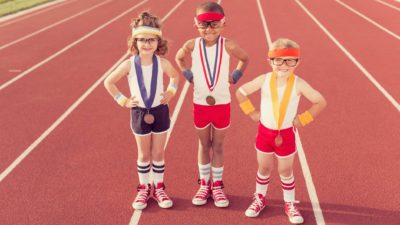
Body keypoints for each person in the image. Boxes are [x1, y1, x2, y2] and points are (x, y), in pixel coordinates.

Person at [236, 38, 327, 223]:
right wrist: (251, 111)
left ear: (297, 62)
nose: (284, 65)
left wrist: (303, 119)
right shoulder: (264, 79)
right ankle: (259, 198)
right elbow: (240, 92)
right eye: (278, 60)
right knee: (264, 167)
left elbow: (320, 102)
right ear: (270, 61)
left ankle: (289, 203)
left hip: (285, 134)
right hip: (264, 132)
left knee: (285, 170)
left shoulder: (299, 83)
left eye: (290, 60)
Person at [175, 1, 249, 208]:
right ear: (195, 24)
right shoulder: (192, 45)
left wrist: (236, 75)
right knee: (203, 144)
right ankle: (204, 184)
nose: (209, 29)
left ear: (223, 23)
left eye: (215, 24)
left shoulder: (229, 45)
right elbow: (179, 57)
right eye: (204, 24)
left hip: (222, 104)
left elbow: (245, 58)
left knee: (217, 145)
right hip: (200, 104)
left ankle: (217, 185)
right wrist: (186, 73)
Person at [104, 12, 179, 210]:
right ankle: (144, 188)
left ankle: (159, 187)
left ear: (158, 42)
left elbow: (175, 77)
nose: (147, 44)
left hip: (160, 111)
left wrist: (171, 92)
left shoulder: (162, 63)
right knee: (144, 155)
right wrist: (122, 100)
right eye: (142, 40)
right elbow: (108, 82)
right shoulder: (129, 64)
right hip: (139, 113)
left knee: (158, 153)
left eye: (151, 40)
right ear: (135, 41)